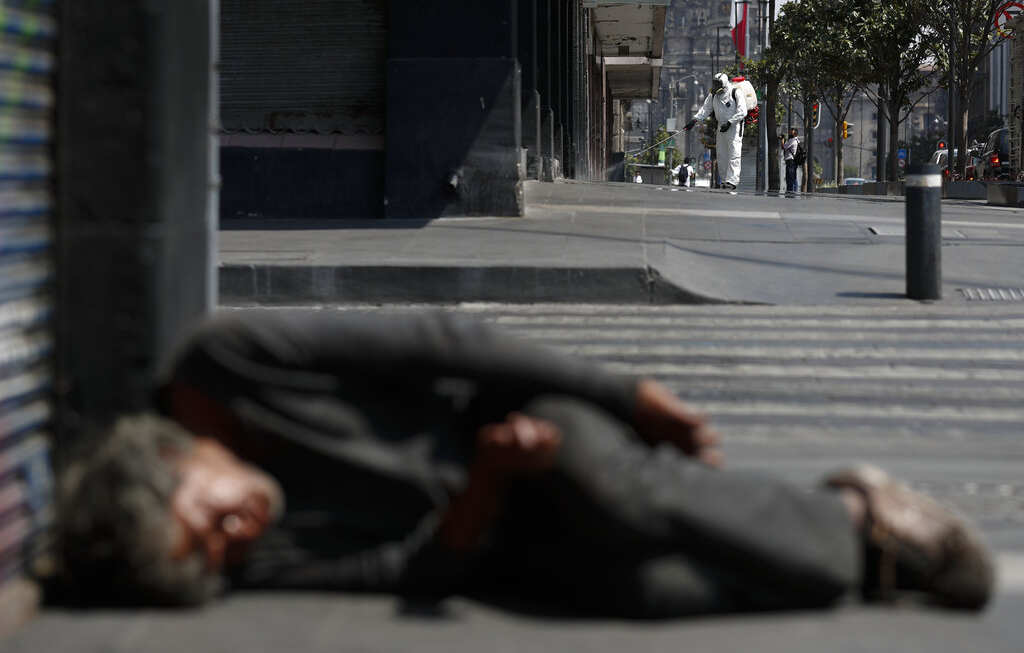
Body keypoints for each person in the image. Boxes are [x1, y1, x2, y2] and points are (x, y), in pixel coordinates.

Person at [57, 311, 994, 616]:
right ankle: (846, 545)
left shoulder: (229, 360)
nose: (236, 537)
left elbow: (444, 344)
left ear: (173, 457)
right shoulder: (247, 559)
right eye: (215, 557)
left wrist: (627, 397)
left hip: (530, 428)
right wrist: (484, 492)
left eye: (206, 516)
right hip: (499, 520)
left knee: (616, 495)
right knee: (657, 589)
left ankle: (856, 525)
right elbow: (409, 569)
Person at [683, 73, 747, 190]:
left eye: (718, 83)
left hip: (734, 127)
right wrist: (694, 121)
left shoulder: (735, 93)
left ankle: (732, 181)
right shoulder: (713, 96)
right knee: (721, 155)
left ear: (724, 84)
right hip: (721, 127)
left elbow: (742, 111)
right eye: (714, 83)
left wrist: (730, 123)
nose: (715, 86)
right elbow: (705, 109)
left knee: (734, 154)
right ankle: (724, 180)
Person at [784, 127, 800, 193]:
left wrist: (782, 140)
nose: (789, 133)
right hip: (794, 161)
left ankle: (790, 190)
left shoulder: (792, 140)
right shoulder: (797, 140)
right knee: (794, 176)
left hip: (790, 161)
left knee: (789, 176)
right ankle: (795, 190)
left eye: (791, 132)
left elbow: (784, 147)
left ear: (795, 134)